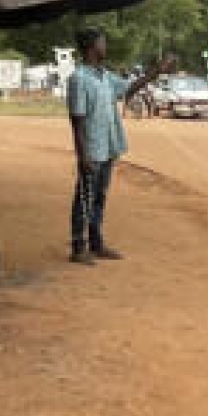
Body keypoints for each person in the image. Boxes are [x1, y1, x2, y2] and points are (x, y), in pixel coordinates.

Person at [67, 28, 174, 265]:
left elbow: (129, 88)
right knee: (84, 197)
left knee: (100, 196)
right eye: (102, 42)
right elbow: (77, 120)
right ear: (91, 47)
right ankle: (78, 246)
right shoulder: (79, 79)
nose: (106, 46)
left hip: (108, 146)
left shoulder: (104, 76)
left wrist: (157, 71)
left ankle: (96, 243)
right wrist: (82, 155)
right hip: (91, 149)